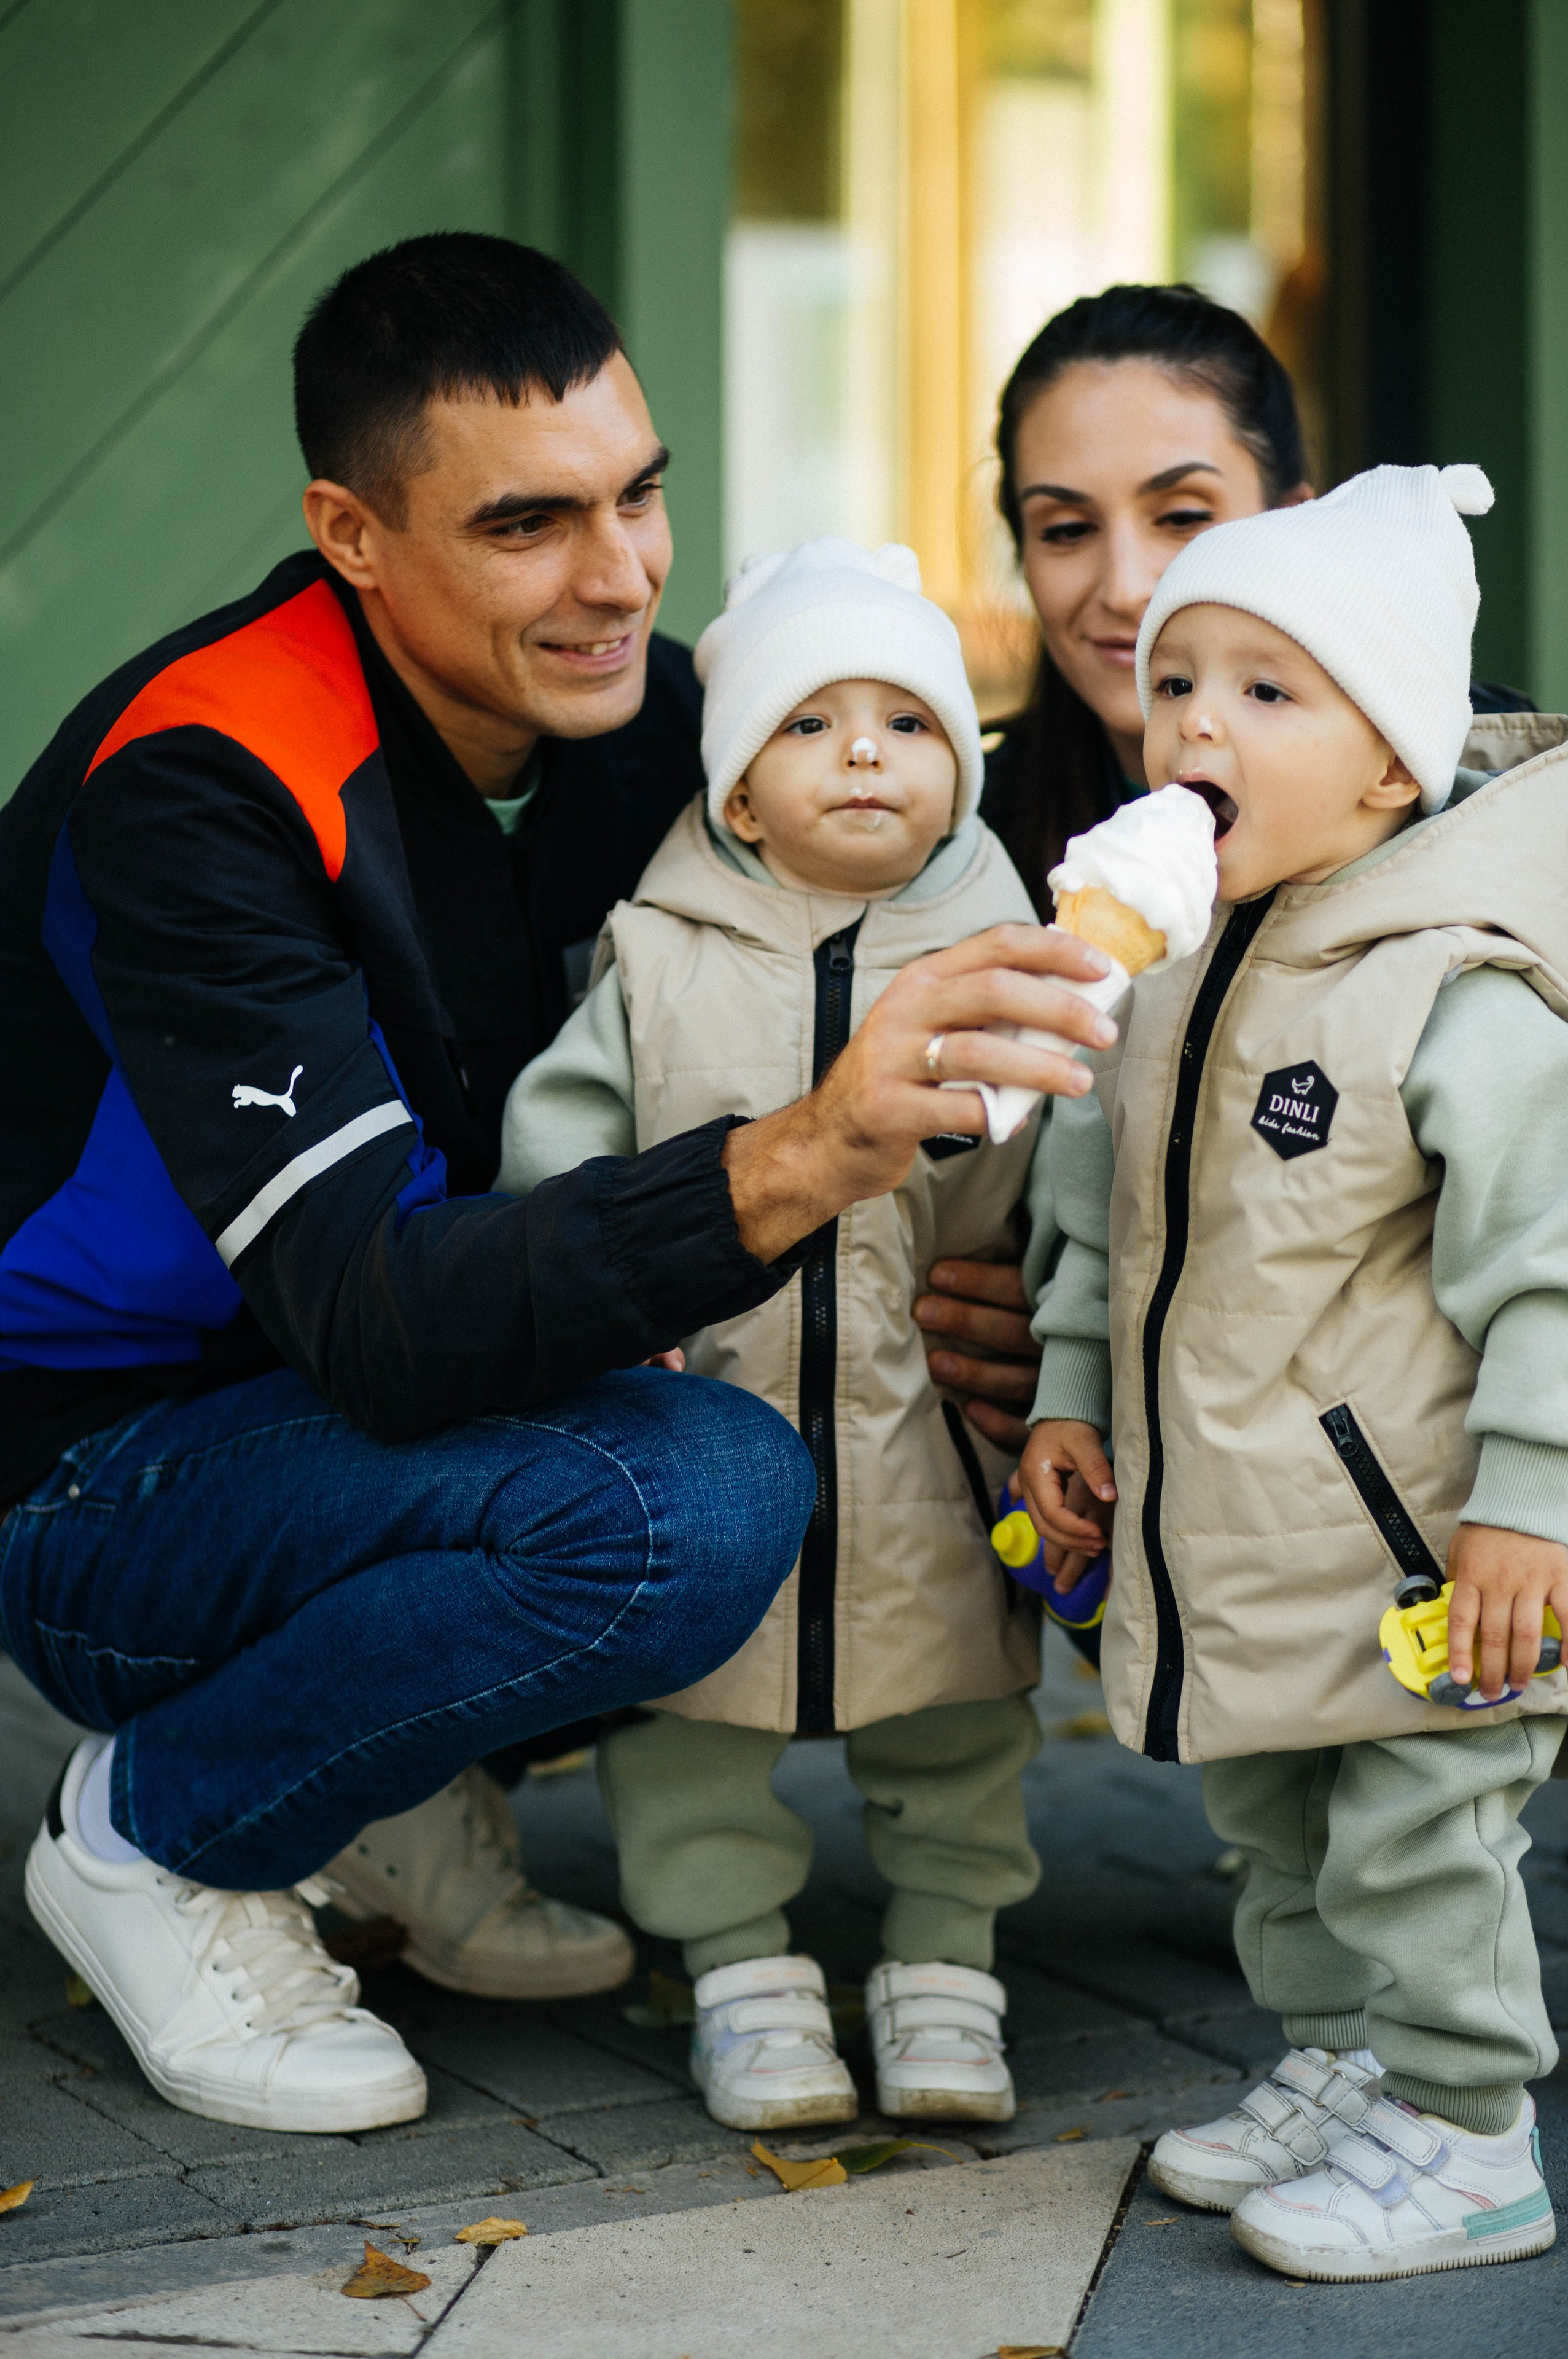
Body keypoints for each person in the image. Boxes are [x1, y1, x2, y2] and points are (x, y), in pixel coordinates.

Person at [0, 235, 1116, 2135]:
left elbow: (934, 850)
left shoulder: (655, 726)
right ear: (352, 535)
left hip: (374, 1436)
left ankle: (383, 1781)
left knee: (786, 1414)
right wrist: (808, 1156)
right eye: (529, 523)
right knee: (692, 1498)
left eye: (639, 496)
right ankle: (160, 1832)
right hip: (103, 1479)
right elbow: (378, 1322)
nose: (617, 577)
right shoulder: (204, 783)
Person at [1020, 462, 1568, 2282]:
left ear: (1392, 765)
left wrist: (1535, 1504)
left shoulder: (1455, 993)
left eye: (1268, 690)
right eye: (1179, 683)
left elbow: (1554, 1274)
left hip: (1433, 1551)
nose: (1198, 723)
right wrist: (1069, 1390)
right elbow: (1102, 1215)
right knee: (1274, 1823)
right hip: (1244, 1539)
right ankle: (1347, 2066)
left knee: (1417, 1842)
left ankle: (1471, 2135)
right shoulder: (1173, 964)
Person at [498, 539, 1058, 2132]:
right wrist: (601, 1327)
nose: (864, 751)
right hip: (710, 1410)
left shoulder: (1016, 964)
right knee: (687, 1725)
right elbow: (562, 1152)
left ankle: (948, 1963)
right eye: (810, 723)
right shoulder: (654, 957)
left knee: (960, 1719)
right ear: (739, 794)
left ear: (959, 776)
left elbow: (1070, 1189)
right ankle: (738, 1967)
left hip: (929, 1430)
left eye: (908, 721)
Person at [917, 283, 1316, 1455]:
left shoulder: (1471, 819)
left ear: (1299, 524)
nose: (1127, 586)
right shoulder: (952, 845)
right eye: (1065, 529)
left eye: (1182, 515)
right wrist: (1054, 1337)